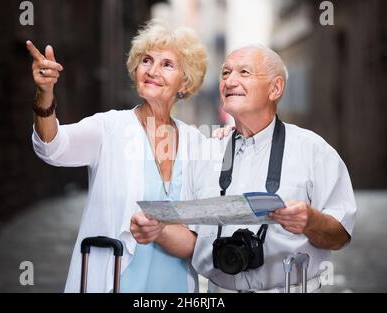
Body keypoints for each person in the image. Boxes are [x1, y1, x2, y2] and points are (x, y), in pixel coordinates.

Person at [131, 45, 357, 293]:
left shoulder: (314, 151)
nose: (230, 80)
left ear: (275, 88)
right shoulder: (207, 152)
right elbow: (192, 243)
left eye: (244, 72)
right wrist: (159, 230)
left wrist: (310, 221)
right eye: (225, 73)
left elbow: (340, 236)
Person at [27, 20, 208, 293]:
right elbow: (52, 146)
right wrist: (45, 94)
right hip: (114, 280)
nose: (153, 70)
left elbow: (201, 239)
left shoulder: (196, 142)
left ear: (186, 81)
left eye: (167, 64)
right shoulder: (109, 127)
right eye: (147, 60)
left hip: (175, 285)